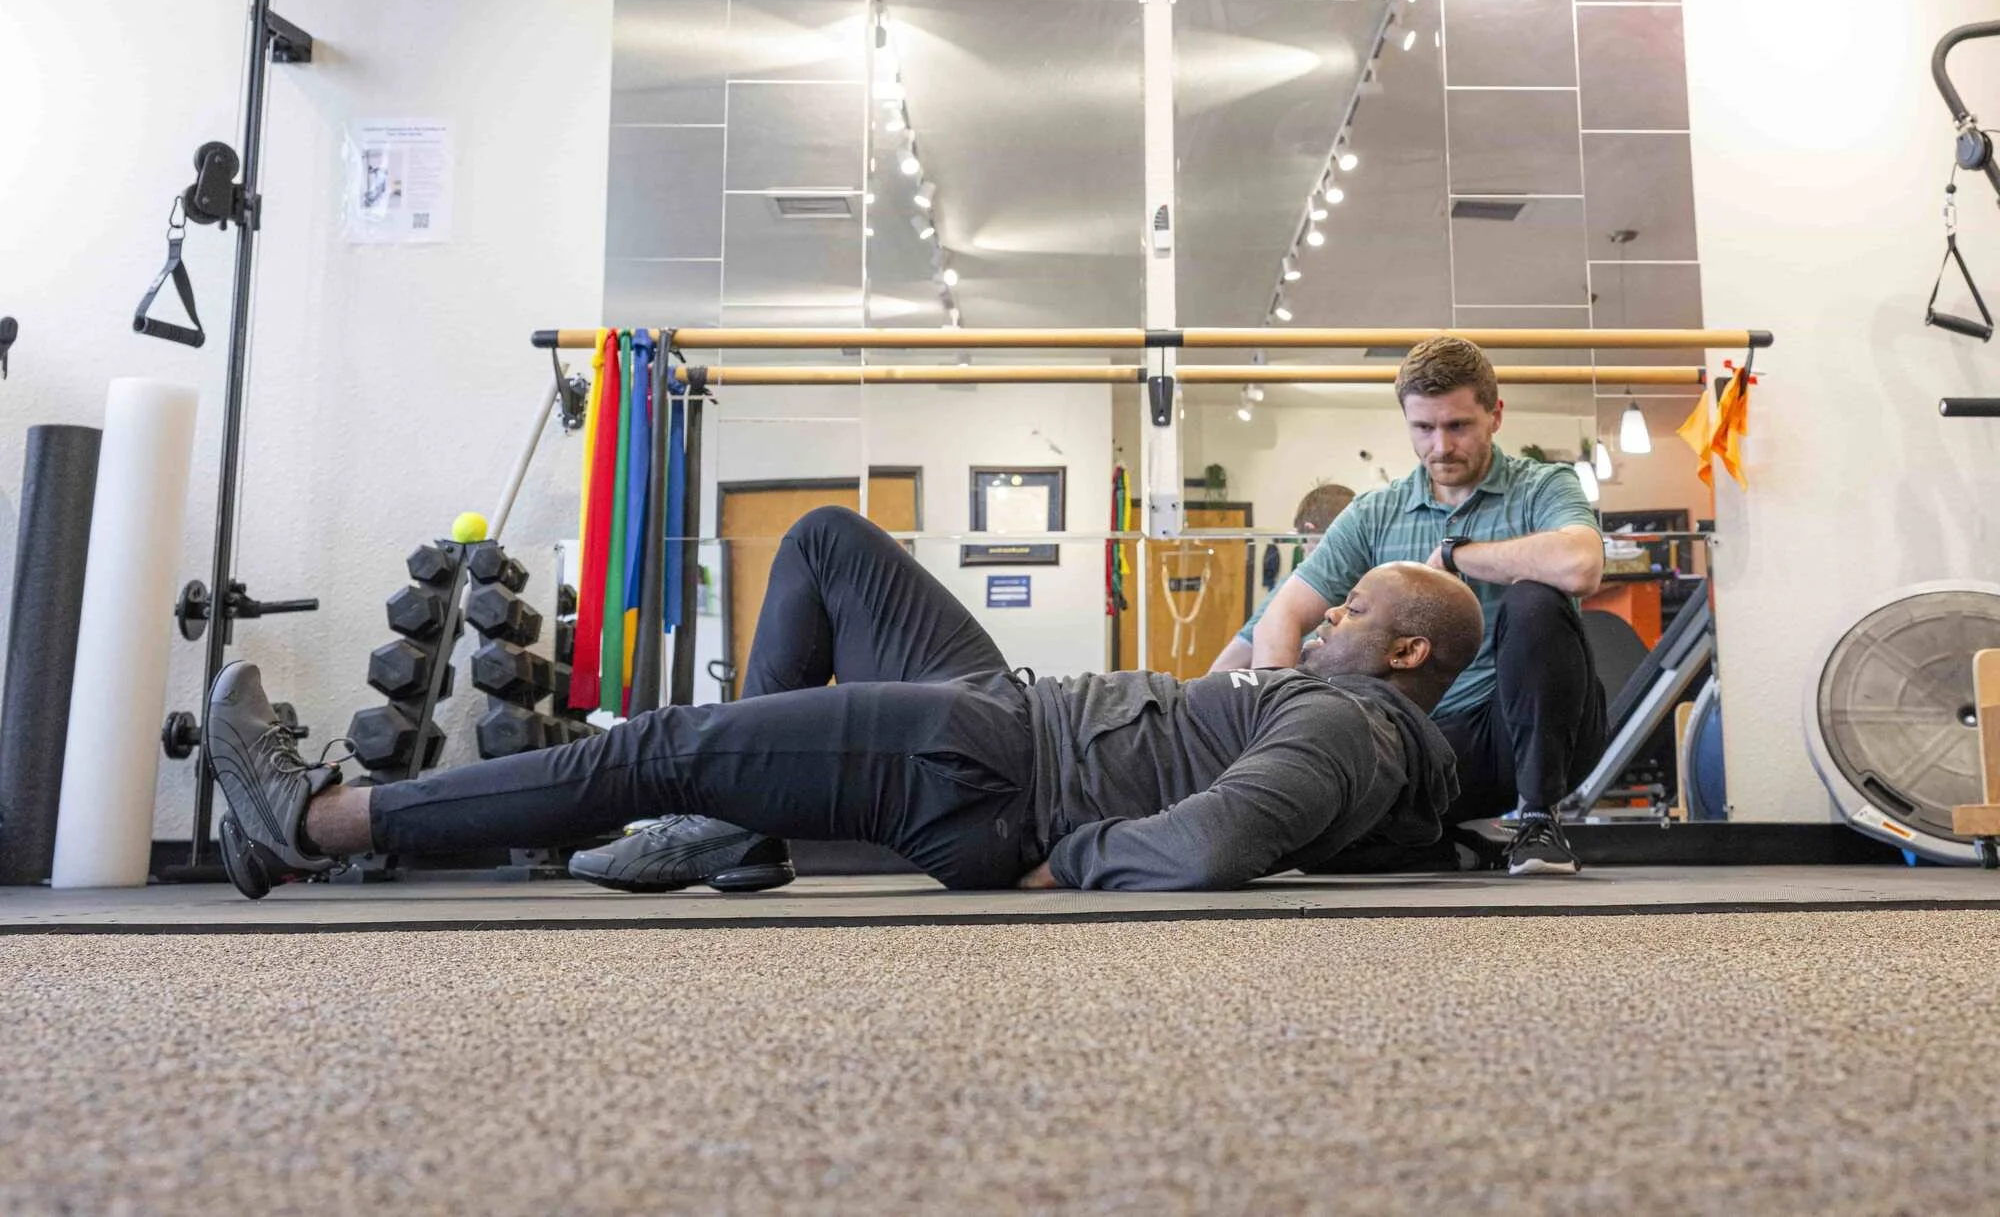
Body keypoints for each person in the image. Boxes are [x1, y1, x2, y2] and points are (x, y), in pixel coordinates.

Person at [205, 506, 1483, 899]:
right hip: (1003, 715)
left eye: (1353, 611)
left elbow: (1210, 843)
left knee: (664, 744)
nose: (1322, 615)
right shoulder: (1360, 725)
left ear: (1406, 657)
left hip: (992, 768)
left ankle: (310, 820)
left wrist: (1059, 856)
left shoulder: (1342, 723)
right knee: (822, 541)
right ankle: (733, 825)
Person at [1249, 336, 1608, 877]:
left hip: (1524, 733)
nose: (1441, 445)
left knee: (1535, 597)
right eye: (1423, 428)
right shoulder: (1376, 514)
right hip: (1424, 746)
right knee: (1304, 844)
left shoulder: (1540, 488)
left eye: (1458, 425)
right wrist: (1272, 747)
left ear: (1495, 415)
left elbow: (1581, 565)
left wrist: (1456, 554)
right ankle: (1463, 846)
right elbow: (1282, 617)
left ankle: (1537, 822)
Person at [1209, 482, 1357, 674]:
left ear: (1309, 531)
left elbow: (1225, 667)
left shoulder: (1297, 585)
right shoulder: (1369, 586)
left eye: (1302, 543)